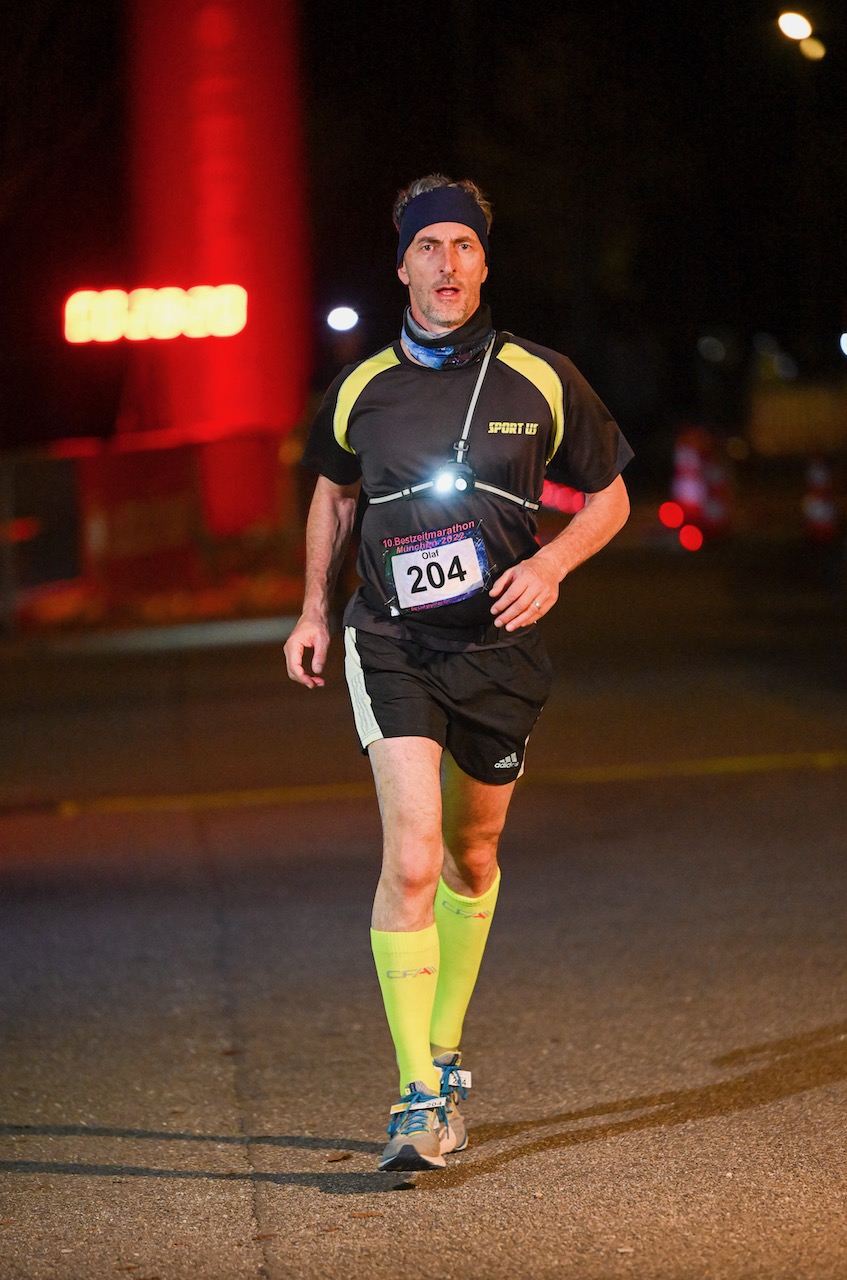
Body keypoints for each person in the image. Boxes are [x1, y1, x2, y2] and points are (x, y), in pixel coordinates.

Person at [284, 174, 633, 1173]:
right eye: (428, 246)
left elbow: (608, 496)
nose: (447, 263)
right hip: (390, 641)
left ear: (484, 261)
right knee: (411, 855)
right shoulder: (362, 387)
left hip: (500, 650)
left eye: (464, 246)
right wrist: (314, 607)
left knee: (472, 857)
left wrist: (552, 562)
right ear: (401, 264)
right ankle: (415, 1093)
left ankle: (443, 1044)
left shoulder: (541, 375)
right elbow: (332, 494)